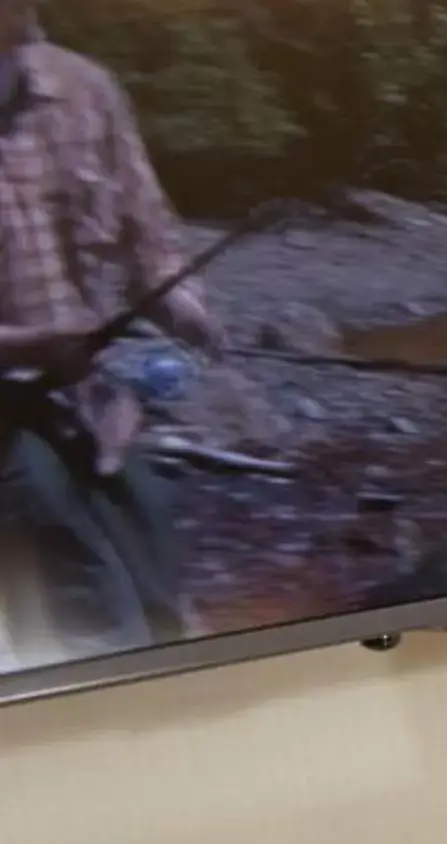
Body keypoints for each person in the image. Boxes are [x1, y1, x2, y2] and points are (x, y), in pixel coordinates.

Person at [0, 0, 226, 667]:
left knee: (158, 570)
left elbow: (147, 238)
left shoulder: (85, 89)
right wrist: (28, 343)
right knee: (83, 593)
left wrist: (182, 303)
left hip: (89, 395)